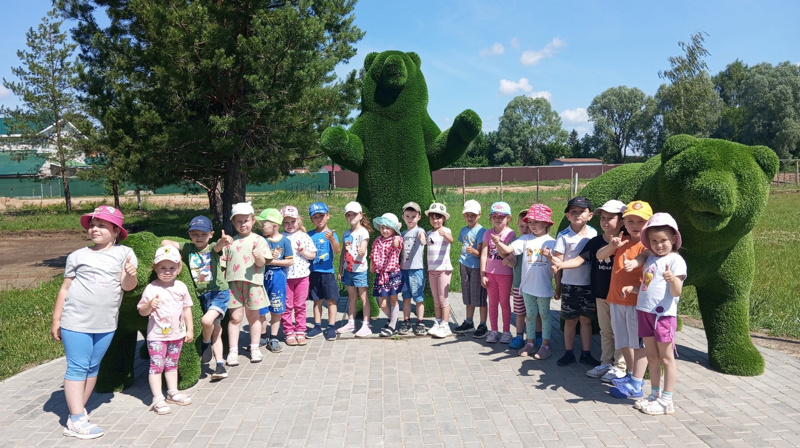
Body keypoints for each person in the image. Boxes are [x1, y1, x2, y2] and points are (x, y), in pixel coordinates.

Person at [51, 206, 138, 439]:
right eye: (92, 224)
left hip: (106, 323)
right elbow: (65, 288)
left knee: (92, 367)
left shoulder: (125, 254)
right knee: (78, 367)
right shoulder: (78, 256)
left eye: (101, 225)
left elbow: (127, 286)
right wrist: (56, 319)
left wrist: (131, 274)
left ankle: (76, 413)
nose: (94, 228)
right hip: (75, 321)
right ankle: (77, 419)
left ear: (116, 231)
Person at [551, 200, 627, 381]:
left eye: (611, 218)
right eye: (604, 218)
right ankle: (603, 362)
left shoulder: (625, 241)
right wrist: (559, 266)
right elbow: (579, 259)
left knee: (616, 330)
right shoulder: (594, 241)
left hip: (616, 294)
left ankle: (618, 365)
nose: (605, 221)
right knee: (603, 330)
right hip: (596, 292)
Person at [622, 213, 687, 415]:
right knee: (651, 357)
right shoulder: (650, 258)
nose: (659, 245)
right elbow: (647, 285)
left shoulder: (676, 261)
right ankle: (654, 395)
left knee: (666, 358)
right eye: (654, 241)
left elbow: (677, 292)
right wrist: (632, 289)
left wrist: (672, 280)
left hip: (663, 316)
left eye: (664, 241)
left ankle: (667, 400)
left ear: (674, 239)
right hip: (645, 312)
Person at [161, 215, 231, 381]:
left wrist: (224, 240)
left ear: (211, 234)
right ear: (190, 235)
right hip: (202, 295)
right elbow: (165, 242)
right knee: (216, 329)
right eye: (195, 234)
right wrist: (177, 259)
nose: (199, 238)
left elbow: (219, 246)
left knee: (207, 322)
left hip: (219, 292)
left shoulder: (213, 247)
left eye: (203, 234)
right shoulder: (187, 248)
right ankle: (220, 364)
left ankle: (205, 344)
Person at [597, 200, 653, 399]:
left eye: (640, 221)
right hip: (615, 300)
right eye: (630, 221)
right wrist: (612, 247)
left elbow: (644, 257)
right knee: (624, 343)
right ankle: (631, 375)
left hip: (635, 303)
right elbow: (598, 255)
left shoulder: (649, 245)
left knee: (638, 345)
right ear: (624, 223)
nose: (635, 225)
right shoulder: (621, 241)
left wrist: (634, 264)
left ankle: (637, 385)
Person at [137, 246, 194, 415]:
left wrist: (189, 329)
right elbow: (141, 311)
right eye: (162, 267)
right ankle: (157, 398)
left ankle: (172, 392)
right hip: (156, 337)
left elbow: (187, 309)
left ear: (179, 269)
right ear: (155, 268)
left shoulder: (181, 287)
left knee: (171, 364)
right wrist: (149, 305)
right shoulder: (151, 288)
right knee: (156, 366)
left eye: (172, 268)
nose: (167, 271)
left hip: (176, 335)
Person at [496, 204, 556, 359]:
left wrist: (559, 286)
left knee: (544, 315)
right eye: (530, 222)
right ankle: (529, 343)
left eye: (536, 222)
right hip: (527, 287)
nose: (532, 225)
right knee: (530, 315)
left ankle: (545, 345)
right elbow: (509, 250)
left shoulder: (552, 242)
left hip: (543, 288)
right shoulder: (525, 239)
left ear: (547, 223)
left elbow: (557, 265)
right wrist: (497, 243)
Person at [220, 202, 271, 365]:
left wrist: (257, 256)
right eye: (239, 221)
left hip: (253, 283)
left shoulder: (259, 240)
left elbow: (263, 263)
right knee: (235, 318)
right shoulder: (230, 242)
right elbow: (223, 265)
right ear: (234, 223)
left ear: (253, 220)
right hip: (233, 285)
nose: (243, 224)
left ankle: (254, 347)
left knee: (254, 317)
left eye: (246, 220)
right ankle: (233, 350)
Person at [551, 196, 599, 366]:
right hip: (570, 286)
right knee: (570, 320)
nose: (578, 214)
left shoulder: (594, 234)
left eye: (582, 211)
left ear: (590, 215)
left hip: (589, 286)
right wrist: (558, 287)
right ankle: (568, 352)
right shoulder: (564, 236)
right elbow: (557, 264)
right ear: (567, 216)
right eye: (574, 212)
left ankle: (586, 353)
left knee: (586, 320)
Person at [255, 208, 293, 353]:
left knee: (276, 308)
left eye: (264, 224)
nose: (261, 227)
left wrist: (271, 262)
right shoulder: (260, 240)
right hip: (261, 277)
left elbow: (289, 262)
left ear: (275, 226)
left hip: (278, 277)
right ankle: (262, 335)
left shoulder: (285, 241)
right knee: (261, 308)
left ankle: (274, 337)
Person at [280, 206, 316, 346]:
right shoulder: (280, 237)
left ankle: (300, 331)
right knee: (287, 306)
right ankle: (289, 332)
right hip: (286, 277)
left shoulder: (303, 236)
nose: (289, 225)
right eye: (286, 222)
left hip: (302, 276)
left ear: (298, 221)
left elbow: (312, 255)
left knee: (300, 305)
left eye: (292, 222)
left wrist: (303, 252)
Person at [453, 200, 488, 338]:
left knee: (479, 297)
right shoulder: (463, 230)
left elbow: (482, 254)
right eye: (467, 215)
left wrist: (473, 251)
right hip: (464, 265)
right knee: (467, 295)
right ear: (464, 216)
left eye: (473, 215)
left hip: (477, 267)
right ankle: (469, 322)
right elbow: (462, 244)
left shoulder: (481, 231)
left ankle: (483, 324)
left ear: (479, 215)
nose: (470, 217)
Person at [337, 201, 373, 337]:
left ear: (360, 216)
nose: (351, 217)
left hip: (360, 270)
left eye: (354, 214)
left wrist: (361, 251)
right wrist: (340, 270)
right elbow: (343, 254)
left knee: (363, 297)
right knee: (351, 297)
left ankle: (366, 324)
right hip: (348, 270)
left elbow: (363, 249)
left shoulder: (364, 232)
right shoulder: (346, 233)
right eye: (348, 214)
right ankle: (351, 322)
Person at [306, 202, 341, 341]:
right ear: (311, 219)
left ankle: (331, 326)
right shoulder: (309, 235)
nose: (319, 219)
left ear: (328, 216)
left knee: (331, 300)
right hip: (313, 272)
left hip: (327, 272)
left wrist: (332, 239)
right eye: (315, 217)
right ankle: (317, 326)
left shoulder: (331, 233)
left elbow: (337, 250)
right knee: (317, 300)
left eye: (322, 215)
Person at [484, 201, 516, 343]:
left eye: (501, 216)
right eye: (494, 216)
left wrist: (497, 242)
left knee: (504, 302)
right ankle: (494, 330)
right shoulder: (487, 233)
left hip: (505, 273)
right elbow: (484, 254)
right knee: (492, 302)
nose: (497, 219)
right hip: (490, 273)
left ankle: (507, 331)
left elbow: (505, 254)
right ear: (491, 217)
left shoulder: (510, 234)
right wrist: (482, 274)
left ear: (508, 218)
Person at [371, 212, 404, 337]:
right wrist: (372, 266)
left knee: (393, 299)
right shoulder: (377, 240)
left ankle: (392, 325)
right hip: (380, 275)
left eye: (388, 228)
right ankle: (393, 319)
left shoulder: (396, 239)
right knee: (382, 303)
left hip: (392, 273)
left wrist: (396, 238)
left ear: (394, 229)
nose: (385, 230)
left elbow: (399, 242)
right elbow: (373, 254)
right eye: (382, 227)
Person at [398, 202, 428, 336]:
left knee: (418, 297)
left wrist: (422, 238)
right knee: (406, 297)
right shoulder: (402, 233)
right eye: (408, 216)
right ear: (403, 217)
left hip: (416, 270)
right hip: (404, 270)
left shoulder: (419, 231)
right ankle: (406, 321)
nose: (411, 219)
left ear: (419, 217)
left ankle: (420, 322)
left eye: (414, 216)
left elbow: (422, 236)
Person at [425, 202, 454, 338]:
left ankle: (445, 325)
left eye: (438, 217)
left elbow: (451, 240)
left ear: (444, 219)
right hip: (432, 270)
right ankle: (437, 322)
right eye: (433, 218)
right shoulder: (428, 233)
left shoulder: (446, 231)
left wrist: (444, 234)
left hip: (444, 269)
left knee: (443, 299)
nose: (435, 220)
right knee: (436, 299)